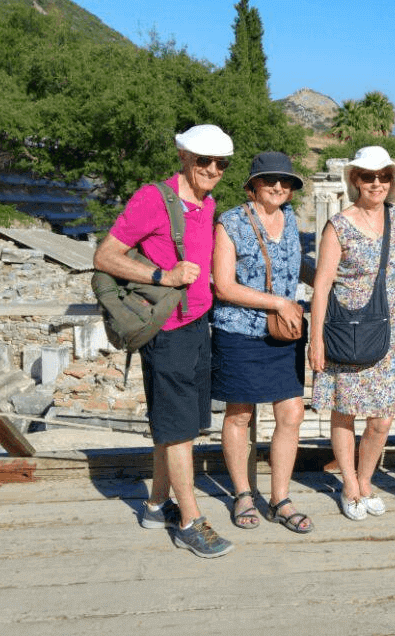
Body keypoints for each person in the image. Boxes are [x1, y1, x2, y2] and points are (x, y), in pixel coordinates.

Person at [93, 123, 235, 558]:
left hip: (197, 325)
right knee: (179, 431)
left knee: (178, 425)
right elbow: (105, 255)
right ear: (184, 157)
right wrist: (163, 276)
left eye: (221, 164)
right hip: (167, 330)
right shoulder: (153, 198)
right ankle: (190, 520)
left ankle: (156, 505)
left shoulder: (206, 203)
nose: (213, 170)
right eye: (204, 161)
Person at [309, 146, 395, 522]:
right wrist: (315, 340)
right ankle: (350, 485)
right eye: (369, 176)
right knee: (344, 411)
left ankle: (366, 479)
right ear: (355, 179)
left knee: (382, 418)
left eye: (384, 176)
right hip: (347, 328)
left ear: (392, 180)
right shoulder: (338, 226)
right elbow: (322, 285)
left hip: (389, 329)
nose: (377, 183)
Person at [211, 151, 312, 534]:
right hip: (240, 331)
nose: (278, 186)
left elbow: (294, 266)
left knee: (292, 414)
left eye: (285, 181)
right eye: (270, 179)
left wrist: (331, 280)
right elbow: (224, 286)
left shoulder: (291, 219)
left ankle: (280, 498)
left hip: (282, 332)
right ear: (253, 184)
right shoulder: (231, 222)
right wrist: (279, 302)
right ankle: (242, 494)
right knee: (239, 415)